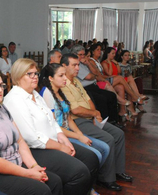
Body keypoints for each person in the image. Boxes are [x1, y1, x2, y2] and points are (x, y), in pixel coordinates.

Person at [4, 58, 99, 195]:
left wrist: (63, 138)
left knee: (91, 158)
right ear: (18, 76)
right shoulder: (15, 99)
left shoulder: (34, 94)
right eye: (29, 74)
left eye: (36, 73)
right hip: (35, 150)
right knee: (79, 172)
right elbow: (31, 137)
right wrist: (61, 147)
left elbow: (52, 121)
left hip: (52, 142)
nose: (35, 77)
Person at [60, 53, 133, 191]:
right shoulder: (63, 84)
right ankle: (106, 178)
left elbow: (88, 100)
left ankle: (118, 171)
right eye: (74, 65)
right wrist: (94, 113)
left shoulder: (76, 81)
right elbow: (75, 110)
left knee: (118, 134)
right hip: (78, 122)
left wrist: (95, 115)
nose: (78, 68)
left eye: (78, 65)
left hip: (89, 118)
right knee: (108, 139)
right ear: (64, 66)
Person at [40, 63, 110, 168]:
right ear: (50, 78)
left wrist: (80, 135)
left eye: (64, 75)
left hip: (69, 132)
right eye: (61, 76)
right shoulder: (47, 94)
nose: (65, 78)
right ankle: (87, 180)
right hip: (59, 136)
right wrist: (79, 137)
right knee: (95, 155)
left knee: (105, 148)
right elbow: (54, 127)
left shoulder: (60, 91)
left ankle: (90, 176)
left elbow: (69, 119)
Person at [70, 45, 121, 126]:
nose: (83, 56)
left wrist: (88, 63)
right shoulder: (75, 65)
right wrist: (95, 76)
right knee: (102, 99)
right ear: (74, 54)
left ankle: (113, 121)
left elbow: (96, 73)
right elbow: (89, 77)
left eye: (84, 54)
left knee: (111, 95)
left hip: (94, 86)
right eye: (80, 55)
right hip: (86, 88)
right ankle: (103, 123)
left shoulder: (84, 63)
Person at [87, 44, 137, 120]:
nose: (100, 51)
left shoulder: (98, 61)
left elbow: (117, 71)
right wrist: (109, 76)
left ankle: (122, 111)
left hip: (104, 79)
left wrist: (115, 64)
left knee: (121, 87)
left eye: (100, 50)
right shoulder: (92, 61)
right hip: (99, 81)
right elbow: (98, 75)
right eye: (97, 50)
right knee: (120, 78)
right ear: (93, 52)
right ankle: (134, 96)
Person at [101, 47, 143, 113]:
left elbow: (119, 72)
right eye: (112, 53)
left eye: (114, 53)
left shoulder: (114, 62)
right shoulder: (104, 63)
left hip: (116, 80)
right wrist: (109, 63)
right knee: (124, 80)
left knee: (123, 86)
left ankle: (123, 110)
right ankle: (135, 96)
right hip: (110, 80)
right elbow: (109, 73)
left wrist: (116, 64)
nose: (114, 55)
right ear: (108, 54)